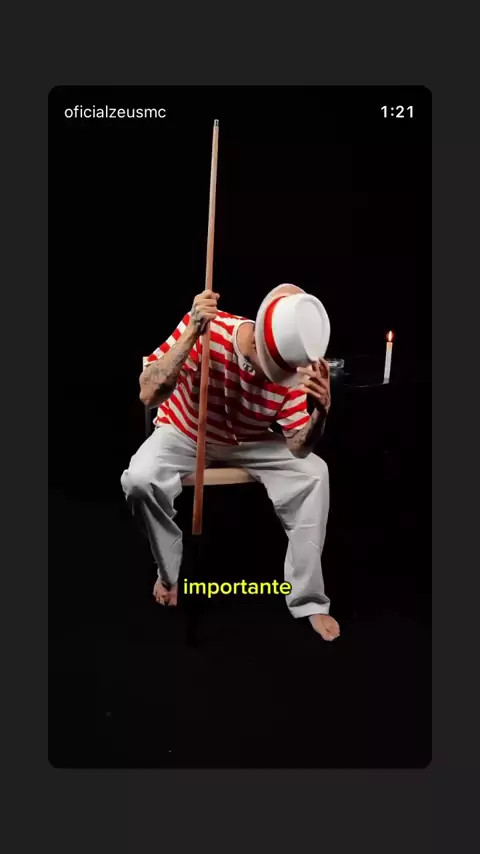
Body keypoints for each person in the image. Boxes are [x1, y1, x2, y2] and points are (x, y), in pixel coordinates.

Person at [121, 285, 340, 641]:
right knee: (138, 480)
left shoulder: (292, 367)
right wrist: (191, 333)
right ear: (256, 341)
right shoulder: (209, 327)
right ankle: (168, 572)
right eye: (272, 369)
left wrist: (321, 413)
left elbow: (298, 448)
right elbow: (147, 393)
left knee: (315, 472)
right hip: (186, 430)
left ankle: (309, 599)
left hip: (248, 439)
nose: (277, 379)